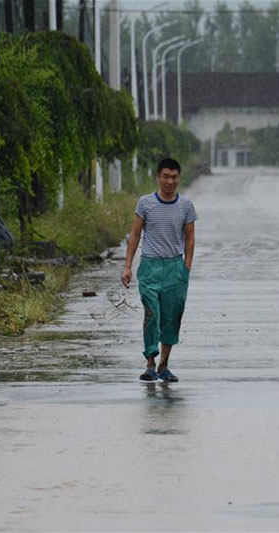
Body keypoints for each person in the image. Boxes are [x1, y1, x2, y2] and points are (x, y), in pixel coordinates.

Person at [122, 158, 197, 382]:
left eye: (174, 177)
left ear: (179, 178)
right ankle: (150, 362)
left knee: (171, 318)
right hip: (150, 267)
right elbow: (135, 235)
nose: (169, 181)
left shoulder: (186, 205)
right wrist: (127, 266)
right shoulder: (145, 203)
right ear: (158, 177)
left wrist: (186, 268)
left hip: (175, 268)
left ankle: (164, 363)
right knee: (151, 312)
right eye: (165, 176)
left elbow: (190, 238)